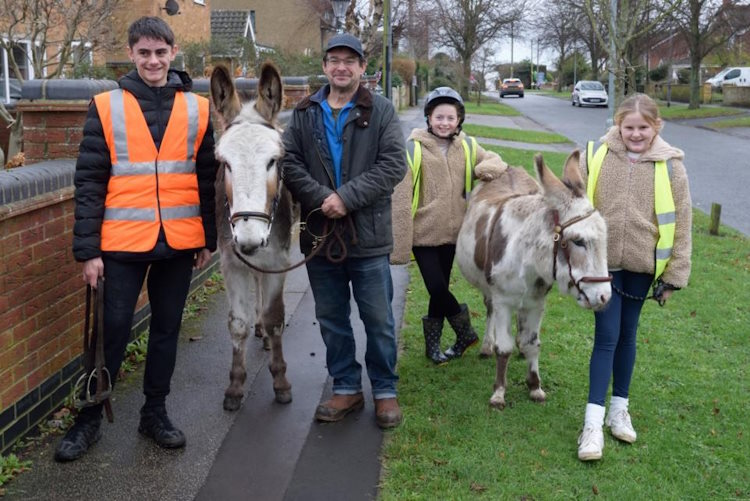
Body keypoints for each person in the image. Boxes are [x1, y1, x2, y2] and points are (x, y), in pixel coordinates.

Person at [56, 16, 217, 462]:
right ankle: (89, 417)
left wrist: (208, 237)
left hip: (180, 240)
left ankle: (154, 413)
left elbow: (206, 178)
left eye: (160, 52)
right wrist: (88, 251)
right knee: (111, 330)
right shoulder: (106, 106)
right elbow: (89, 180)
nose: (152, 60)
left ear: (173, 51)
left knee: (166, 330)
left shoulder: (197, 108)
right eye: (144, 52)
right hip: (121, 242)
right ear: (131, 54)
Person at [282, 33, 406, 429]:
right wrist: (323, 199)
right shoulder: (303, 113)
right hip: (320, 238)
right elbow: (289, 163)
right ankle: (347, 387)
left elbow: (393, 165)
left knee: (379, 320)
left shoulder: (381, 110)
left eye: (349, 61)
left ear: (361, 68)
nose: (341, 67)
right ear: (324, 66)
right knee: (332, 318)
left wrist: (346, 198)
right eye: (334, 60)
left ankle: (385, 391)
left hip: (367, 237)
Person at [576, 93, 692, 461]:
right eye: (629, 127)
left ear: (657, 126)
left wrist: (673, 276)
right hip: (602, 265)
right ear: (617, 124)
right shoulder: (596, 154)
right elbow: (572, 200)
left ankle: (618, 410)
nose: (636, 134)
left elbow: (683, 224)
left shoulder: (672, 166)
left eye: (644, 127)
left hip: (643, 267)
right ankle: (592, 424)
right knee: (606, 337)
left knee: (628, 336)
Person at [391, 87, 507, 364]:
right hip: (423, 234)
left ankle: (433, 347)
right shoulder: (413, 149)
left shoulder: (466, 146)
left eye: (450, 118)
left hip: (456, 234)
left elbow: (496, 161)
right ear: (428, 118)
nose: (444, 123)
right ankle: (465, 333)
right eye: (439, 117)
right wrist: (400, 243)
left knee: (438, 288)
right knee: (437, 288)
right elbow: (400, 198)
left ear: (459, 121)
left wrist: (484, 170)